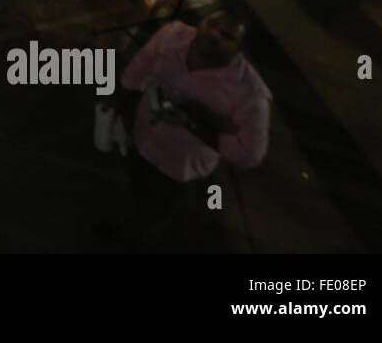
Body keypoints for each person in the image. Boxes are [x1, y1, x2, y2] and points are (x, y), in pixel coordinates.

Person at [111, 13, 271, 251]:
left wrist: (191, 125)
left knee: (158, 212)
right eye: (212, 24)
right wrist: (121, 107)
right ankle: (131, 227)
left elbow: (249, 155)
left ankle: (141, 238)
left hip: (178, 169)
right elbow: (139, 66)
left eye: (227, 35)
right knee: (139, 193)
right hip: (141, 140)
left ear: (239, 49)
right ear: (201, 23)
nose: (214, 34)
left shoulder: (251, 94)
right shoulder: (172, 35)